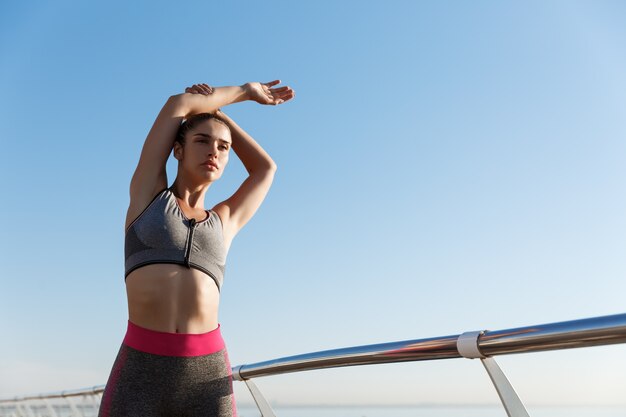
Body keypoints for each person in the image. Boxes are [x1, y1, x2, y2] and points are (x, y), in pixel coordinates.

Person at [98, 80, 295, 417]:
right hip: (140, 370)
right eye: (202, 141)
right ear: (178, 149)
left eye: (223, 147)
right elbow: (177, 103)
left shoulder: (225, 220)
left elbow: (265, 169)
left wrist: (217, 114)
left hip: (207, 372)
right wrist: (246, 92)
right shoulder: (149, 197)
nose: (213, 152)